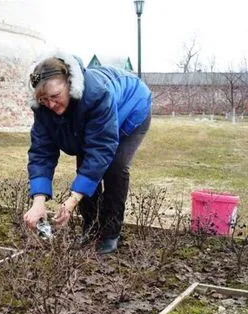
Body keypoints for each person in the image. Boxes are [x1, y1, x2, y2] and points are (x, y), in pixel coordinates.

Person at [23, 50, 152, 254]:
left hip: (131, 107)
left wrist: (72, 201)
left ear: (70, 83)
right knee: (86, 168)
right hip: (95, 118)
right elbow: (41, 152)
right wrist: (38, 201)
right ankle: (91, 228)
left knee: (114, 167)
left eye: (55, 96)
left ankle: (110, 232)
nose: (51, 104)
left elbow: (101, 150)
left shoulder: (97, 95)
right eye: (44, 99)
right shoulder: (44, 108)